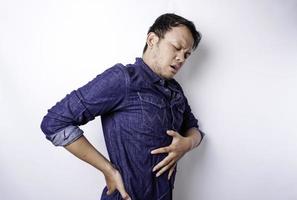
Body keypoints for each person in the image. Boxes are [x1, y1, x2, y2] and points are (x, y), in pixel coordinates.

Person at [40, 13, 205, 200]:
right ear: (152, 40)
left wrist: (187, 144)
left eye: (187, 54)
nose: (181, 58)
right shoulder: (123, 79)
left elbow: (194, 129)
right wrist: (108, 170)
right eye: (176, 47)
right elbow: (54, 122)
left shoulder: (175, 89)